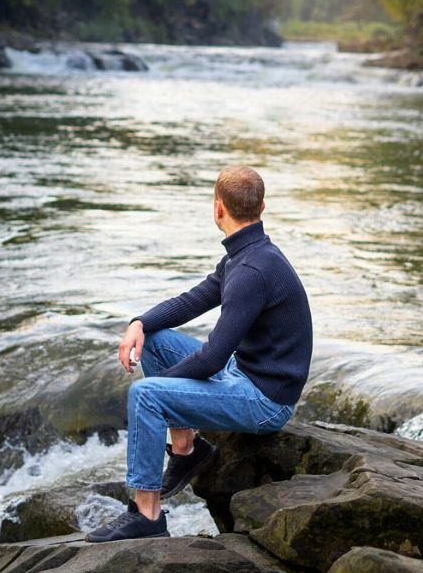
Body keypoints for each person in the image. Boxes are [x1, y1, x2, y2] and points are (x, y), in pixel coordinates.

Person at [84, 165, 313, 543]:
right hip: (245, 374)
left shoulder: (252, 270)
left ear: (218, 208)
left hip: (265, 401)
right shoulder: (247, 255)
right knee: (156, 339)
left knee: (146, 396)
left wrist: (159, 392)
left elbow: (210, 359)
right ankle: (186, 449)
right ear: (262, 206)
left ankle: (148, 514)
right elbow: (196, 299)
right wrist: (139, 323)